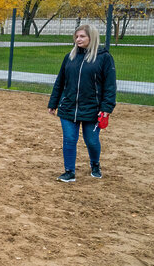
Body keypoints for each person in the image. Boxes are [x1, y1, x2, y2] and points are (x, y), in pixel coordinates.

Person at [48, 24, 116, 182]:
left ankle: (95, 164)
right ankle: (69, 172)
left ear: (91, 38)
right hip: (68, 107)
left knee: (91, 141)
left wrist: (107, 107)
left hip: (92, 109)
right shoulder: (69, 57)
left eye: (82, 36)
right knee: (69, 139)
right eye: (76, 36)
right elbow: (60, 82)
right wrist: (54, 102)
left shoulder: (104, 57)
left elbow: (110, 85)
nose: (78, 39)